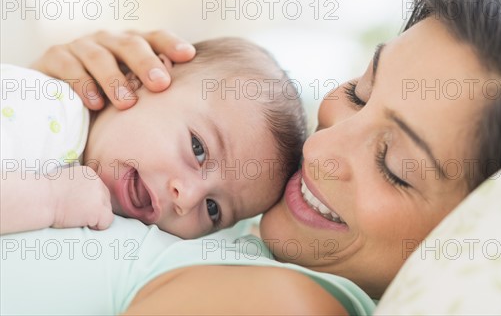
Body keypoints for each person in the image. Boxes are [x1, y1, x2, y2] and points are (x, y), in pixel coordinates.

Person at [1, 0, 501, 314]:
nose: (321, 148)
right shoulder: (252, 209)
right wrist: (47, 113)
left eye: (394, 168)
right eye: (360, 93)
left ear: (473, 228)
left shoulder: (287, 302)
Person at [0, 38, 306, 239]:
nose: (186, 198)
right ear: (141, 79)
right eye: (198, 149)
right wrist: (50, 200)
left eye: (213, 209)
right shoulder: (46, 112)